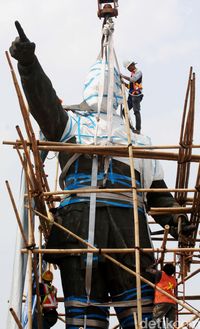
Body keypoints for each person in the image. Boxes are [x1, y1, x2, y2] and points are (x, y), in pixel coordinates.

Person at [9, 21, 195, 329]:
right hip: (78, 231)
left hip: (129, 234)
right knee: (84, 321)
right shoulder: (70, 126)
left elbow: (159, 197)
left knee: (143, 320)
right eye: (100, 85)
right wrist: (29, 65)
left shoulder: (140, 141)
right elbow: (43, 104)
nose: (107, 92)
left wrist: (181, 223)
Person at [147, 263, 177, 329]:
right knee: (170, 324)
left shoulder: (160, 274)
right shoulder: (173, 279)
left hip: (162, 301)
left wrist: (155, 263)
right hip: (172, 302)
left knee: (155, 321)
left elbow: (148, 270)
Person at [121, 60, 143, 134]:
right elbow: (130, 87)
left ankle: (138, 129)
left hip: (136, 96)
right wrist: (124, 83)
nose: (128, 69)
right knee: (124, 111)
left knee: (136, 111)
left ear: (132, 65)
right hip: (131, 96)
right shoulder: (132, 74)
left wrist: (123, 76)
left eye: (128, 68)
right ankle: (131, 128)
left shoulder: (138, 72)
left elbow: (133, 80)